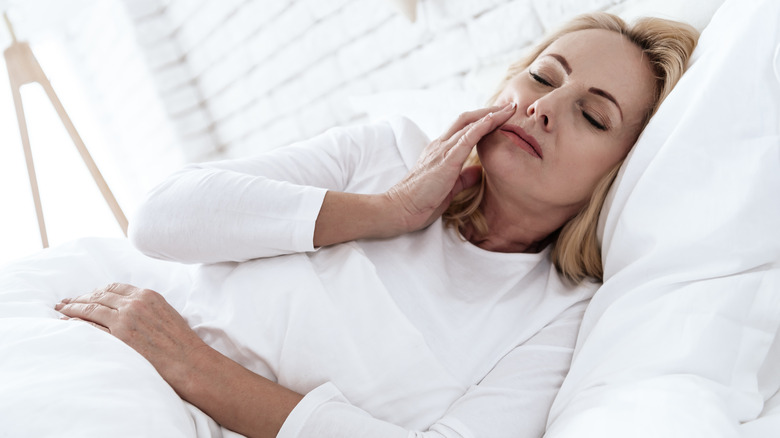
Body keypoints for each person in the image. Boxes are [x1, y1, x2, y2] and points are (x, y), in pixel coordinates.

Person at [55, 12, 698, 438]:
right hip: (115, 372)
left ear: (621, 172)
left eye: (593, 115)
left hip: (164, 367)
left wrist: (192, 366)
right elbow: (164, 217)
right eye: (541, 77)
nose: (544, 108)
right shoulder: (387, 153)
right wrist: (388, 210)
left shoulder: (558, 316)